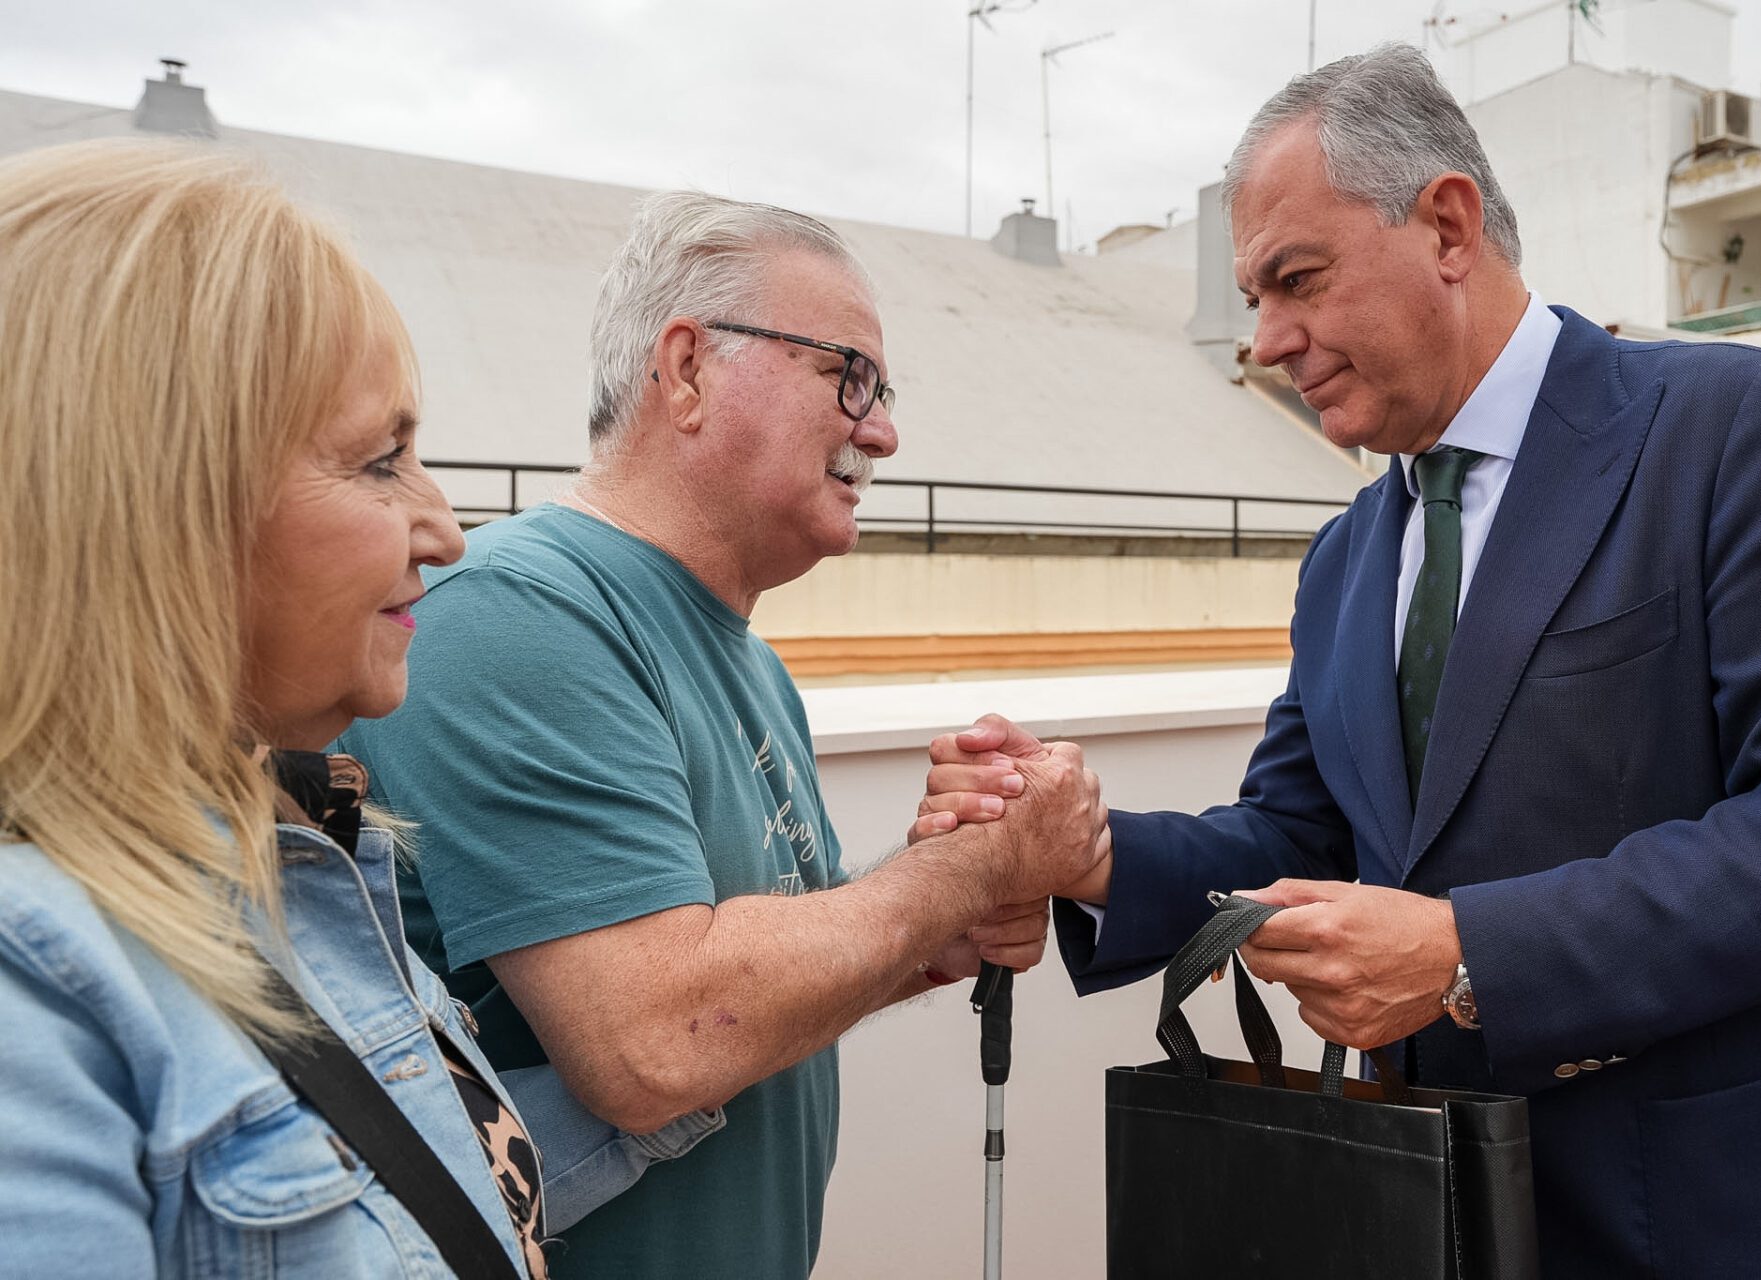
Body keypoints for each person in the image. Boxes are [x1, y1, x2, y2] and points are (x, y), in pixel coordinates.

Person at [921, 45, 1761, 1277]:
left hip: (1728, 1217)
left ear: (1447, 225)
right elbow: (1304, 836)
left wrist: (1466, 960)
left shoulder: (1744, 430)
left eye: (1297, 280)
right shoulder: (1344, 559)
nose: (1267, 343)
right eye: (1252, 301)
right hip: (1437, 1219)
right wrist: (1093, 850)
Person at [339, 191, 1108, 1279]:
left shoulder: (751, 661)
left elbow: (749, 969)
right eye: (847, 374)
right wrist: (969, 867)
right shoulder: (515, 617)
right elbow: (657, 1041)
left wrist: (930, 935)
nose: (881, 428)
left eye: (882, 392)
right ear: (689, 368)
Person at [0, 138, 620, 1276]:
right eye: (383, 461)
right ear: (155, 512)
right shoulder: (33, 993)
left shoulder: (296, 846)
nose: (445, 530)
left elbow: (432, 1192)